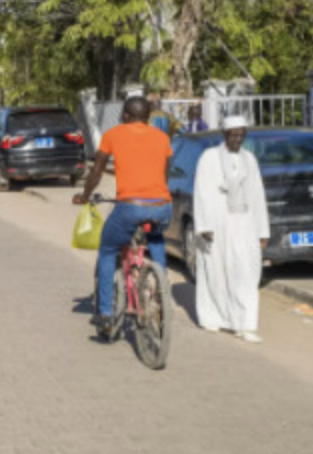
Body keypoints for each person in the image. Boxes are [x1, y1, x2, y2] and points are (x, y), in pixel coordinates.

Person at [74, 96, 174, 338]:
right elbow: (165, 171)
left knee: (108, 249)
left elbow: (97, 171)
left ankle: (106, 314)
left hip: (130, 206)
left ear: (126, 116)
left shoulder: (113, 134)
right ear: (148, 116)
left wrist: (85, 195)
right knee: (156, 238)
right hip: (163, 206)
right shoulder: (162, 137)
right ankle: (160, 287)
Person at [192, 116, 269, 343]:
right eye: (233, 135)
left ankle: (244, 324)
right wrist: (203, 225)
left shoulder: (250, 160)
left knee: (246, 272)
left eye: (241, 135)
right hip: (217, 223)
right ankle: (212, 317)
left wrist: (262, 230)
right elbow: (201, 192)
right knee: (215, 273)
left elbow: (257, 195)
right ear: (225, 135)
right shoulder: (209, 158)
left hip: (244, 224)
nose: (237, 139)